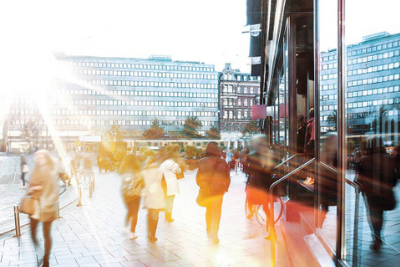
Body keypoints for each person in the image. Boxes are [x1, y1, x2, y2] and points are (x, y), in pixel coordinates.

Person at [358, 138, 398, 251]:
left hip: (371, 193)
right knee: (380, 215)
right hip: (384, 193)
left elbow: (360, 178)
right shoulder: (389, 160)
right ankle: (378, 236)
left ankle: (376, 237)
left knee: (373, 214)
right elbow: (394, 179)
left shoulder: (365, 160)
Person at [26, 150, 59, 267]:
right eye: (37, 156)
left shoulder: (51, 171)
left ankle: (46, 260)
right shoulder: (35, 170)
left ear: (46, 158)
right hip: (34, 207)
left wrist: (47, 203)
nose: (38, 159)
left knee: (46, 234)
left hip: (47, 208)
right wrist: (33, 189)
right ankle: (40, 253)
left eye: (41, 156)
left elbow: (55, 191)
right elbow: (29, 188)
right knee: (32, 234)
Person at [196, 142, 230, 244]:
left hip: (207, 191)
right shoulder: (223, 162)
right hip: (218, 192)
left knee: (209, 210)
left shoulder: (202, 162)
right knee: (217, 212)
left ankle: (208, 229)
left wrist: (203, 186)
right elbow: (227, 178)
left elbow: (198, 179)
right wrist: (225, 188)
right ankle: (215, 234)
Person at [245, 135, 276, 234]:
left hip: (257, 184)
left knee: (254, 201)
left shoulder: (253, 155)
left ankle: (271, 231)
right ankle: (272, 231)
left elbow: (248, 170)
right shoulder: (270, 153)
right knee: (267, 207)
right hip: (267, 184)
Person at [120, 154, 143, 240]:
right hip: (135, 194)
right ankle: (132, 232)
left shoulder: (124, 170)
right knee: (135, 213)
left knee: (129, 211)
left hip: (125, 194)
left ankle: (125, 228)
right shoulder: (138, 171)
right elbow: (142, 182)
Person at [142, 154, 165, 242]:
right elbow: (163, 182)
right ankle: (153, 235)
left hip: (148, 194)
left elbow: (143, 184)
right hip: (157, 194)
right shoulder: (159, 170)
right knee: (156, 216)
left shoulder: (144, 172)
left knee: (149, 215)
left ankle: (149, 234)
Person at [160, 151, 182, 223]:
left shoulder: (162, 164)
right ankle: (169, 216)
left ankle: (166, 214)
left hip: (164, 184)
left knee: (166, 200)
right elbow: (178, 171)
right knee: (170, 201)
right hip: (170, 184)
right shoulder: (172, 163)